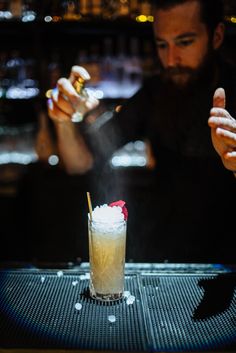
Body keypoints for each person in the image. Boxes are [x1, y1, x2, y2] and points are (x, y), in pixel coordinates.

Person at [48, 0, 236, 263]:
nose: (171, 60)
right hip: (165, 256)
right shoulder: (155, 93)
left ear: (216, 36)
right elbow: (81, 163)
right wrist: (63, 121)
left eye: (184, 42)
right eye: (162, 44)